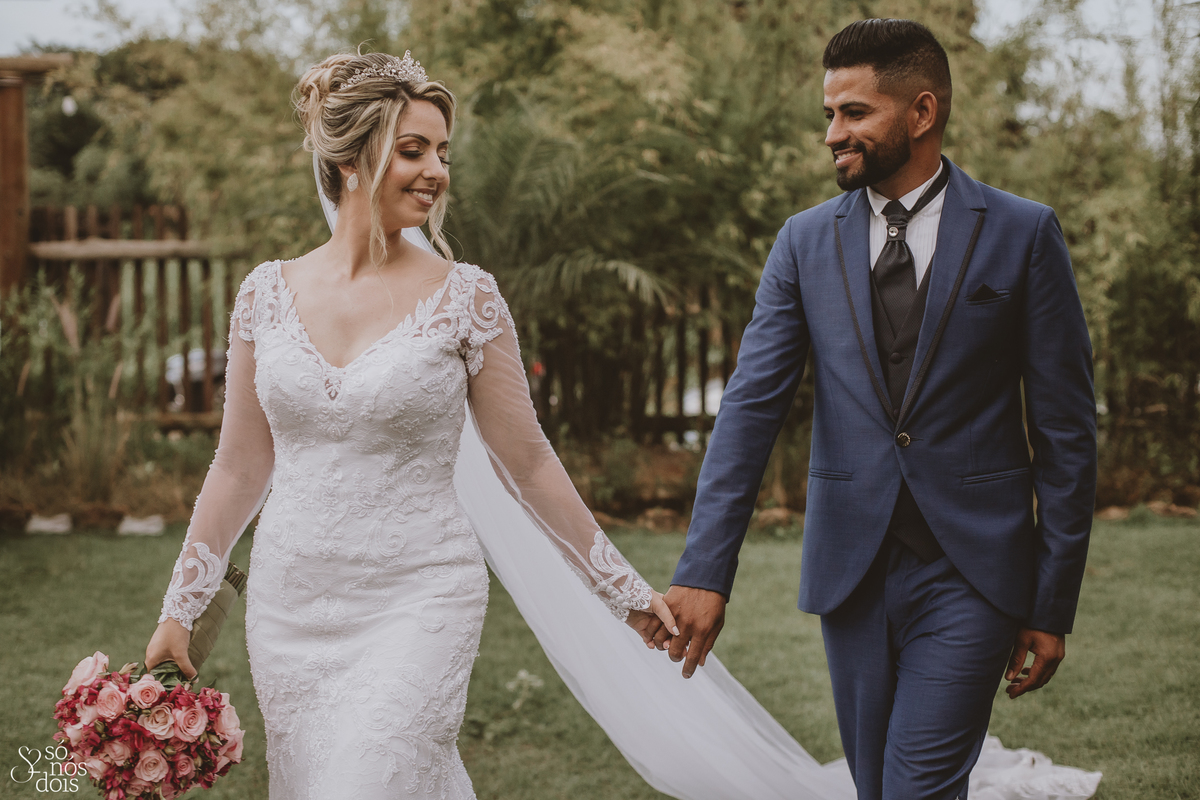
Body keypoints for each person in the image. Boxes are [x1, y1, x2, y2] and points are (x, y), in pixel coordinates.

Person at [143, 50, 679, 800]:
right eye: (414, 150)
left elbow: (527, 462)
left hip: (419, 595)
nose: (437, 172)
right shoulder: (264, 295)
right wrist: (180, 609)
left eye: (443, 153)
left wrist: (623, 590)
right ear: (351, 161)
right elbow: (237, 467)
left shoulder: (468, 299)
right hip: (291, 605)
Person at [661, 18, 1097, 800]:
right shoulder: (802, 244)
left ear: (922, 112)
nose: (834, 133)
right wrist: (703, 571)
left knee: (915, 789)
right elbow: (750, 412)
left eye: (854, 112)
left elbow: (1066, 432)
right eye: (830, 114)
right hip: (851, 574)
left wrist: (1051, 600)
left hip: (975, 571)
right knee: (876, 786)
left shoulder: (1023, 233)